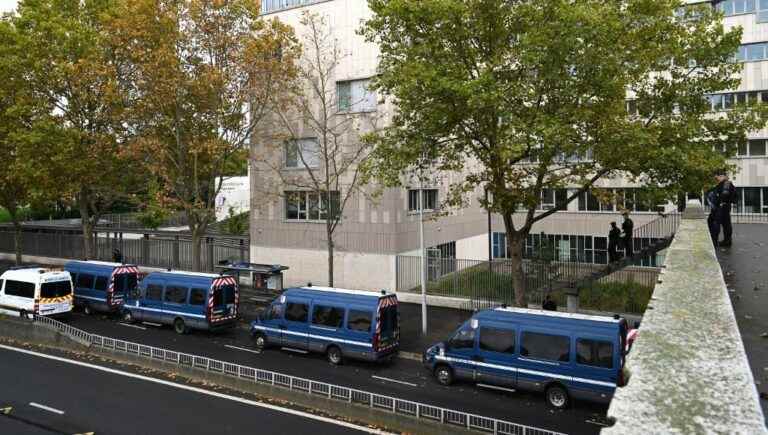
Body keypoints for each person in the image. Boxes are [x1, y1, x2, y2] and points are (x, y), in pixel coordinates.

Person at [712, 171, 736, 247]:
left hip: (722, 206)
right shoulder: (722, 184)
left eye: (717, 177)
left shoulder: (726, 184)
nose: (716, 178)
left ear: (722, 176)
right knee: (725, 224)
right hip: (723, 206)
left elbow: (723, 196)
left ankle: (718, 241)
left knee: (718, 224)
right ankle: (726, 241)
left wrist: (719, 202)